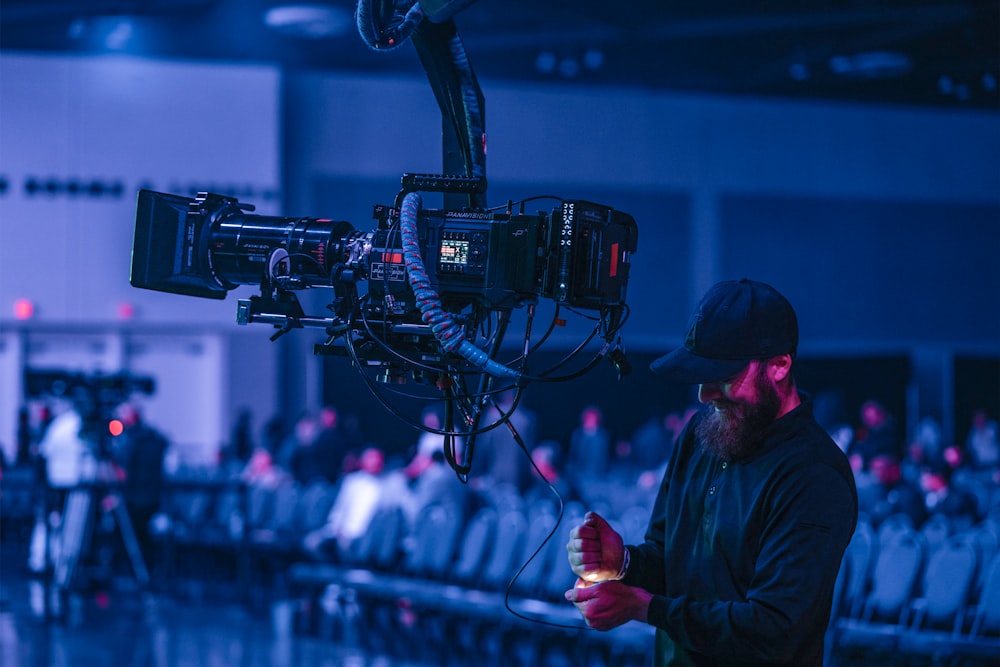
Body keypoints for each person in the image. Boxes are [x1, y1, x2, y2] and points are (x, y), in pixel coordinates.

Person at [564, 278, 858, 666]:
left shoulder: (814, 474)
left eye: (724, 376)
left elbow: (773, 628)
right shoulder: (701, 435)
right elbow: (670, 563)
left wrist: (644, 608)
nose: (705, 394)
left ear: (780, 366)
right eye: (702, 376)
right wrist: (623, 564)